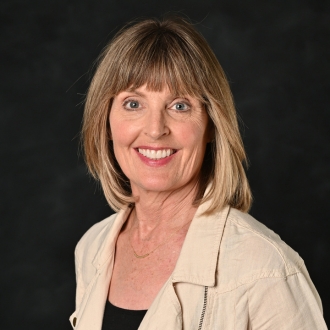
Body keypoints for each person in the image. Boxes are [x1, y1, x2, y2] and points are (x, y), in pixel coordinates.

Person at [70, 17, 327, 330]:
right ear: (106, 121)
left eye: (179, 106)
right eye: (133, 103)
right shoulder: (93, 248)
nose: (155, 130)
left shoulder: (265, 269)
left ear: (210, 126)